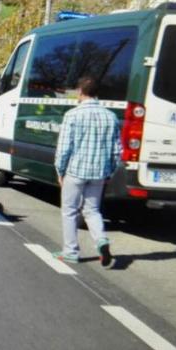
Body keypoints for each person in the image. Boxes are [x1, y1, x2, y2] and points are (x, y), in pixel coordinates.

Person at [53, 75, 120, 268]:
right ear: (97, 93)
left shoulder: (72, 115)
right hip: (99, 172)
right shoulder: (111, 116)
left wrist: (60, 170)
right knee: (92, 210)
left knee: (69, 211)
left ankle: (71, 251)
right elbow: (117, 150)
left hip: (76, 170)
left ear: (80, 92)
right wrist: (110, 172)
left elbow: (64, 148)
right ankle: (101, 241)